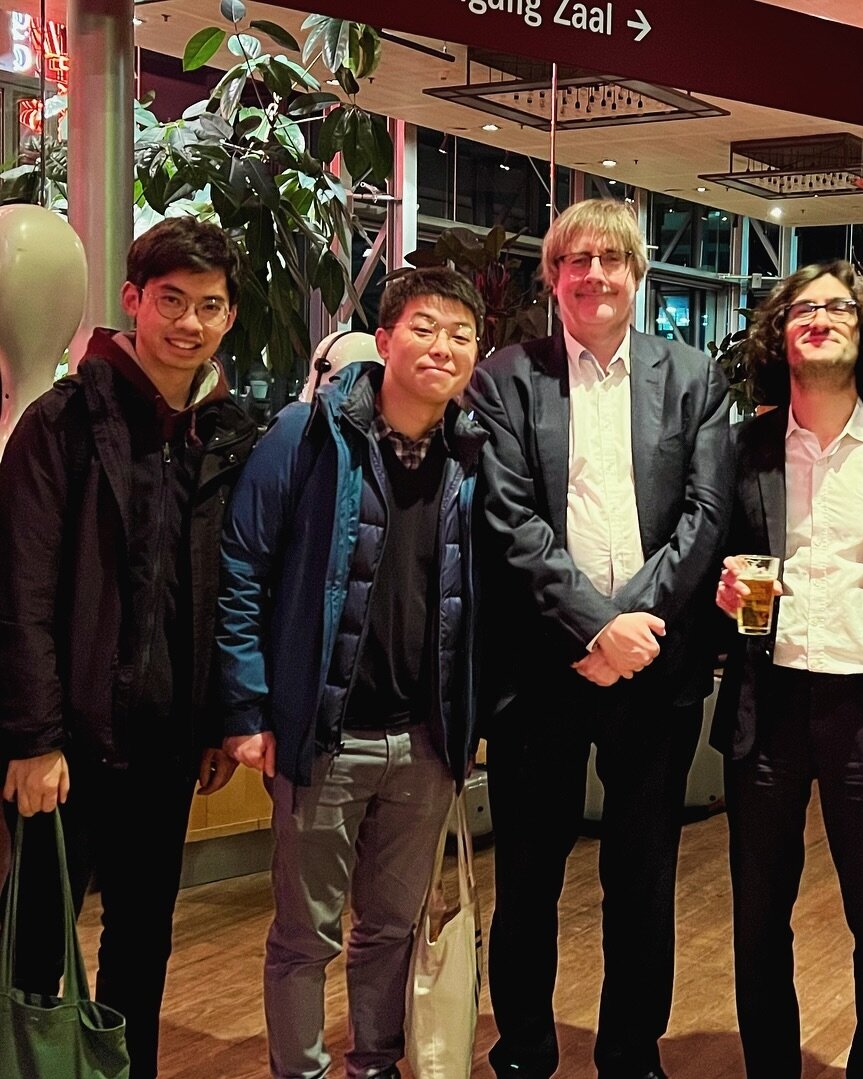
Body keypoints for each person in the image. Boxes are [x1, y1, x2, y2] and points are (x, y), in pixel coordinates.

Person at [467, 198, 733, 1079]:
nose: (593, 275)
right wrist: (591, 624)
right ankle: (525, 1048)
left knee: (643, 877)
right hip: (542, 665)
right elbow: (507, 519)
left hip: (654, 666)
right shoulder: (507, 376)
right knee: (530, 876)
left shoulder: (692, 376)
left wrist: (634, 623)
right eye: (575, 260)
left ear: (637, 271)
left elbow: (705, 515)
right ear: (553, 278)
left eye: (610, 259)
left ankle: (630, 1051)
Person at [0, 217, 257, 1079]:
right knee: (38, 942)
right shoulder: (63, 421)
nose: (188, 322)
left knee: (142, 940)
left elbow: (227, 591)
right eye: (171, 300)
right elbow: (21, 589)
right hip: (64, 742)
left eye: (208, 306)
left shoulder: (222, 434)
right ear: (132, 302)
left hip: (165, 741)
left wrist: (222, 719)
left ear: (229, 317)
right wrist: (33, 740)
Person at [215, 266, 486, 1079]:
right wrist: (247, 707)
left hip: (427, 744)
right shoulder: (306, 436)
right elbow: (241, 570)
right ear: (387, 335)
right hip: (321, 739)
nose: (442, 346)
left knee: (391, 930)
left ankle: (374, 1063)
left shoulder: (473, 455)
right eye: (426, 327)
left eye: (461, 334)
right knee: (305, 935)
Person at [711, 261, 863, 1077]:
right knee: (758, 915)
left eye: (836, 307)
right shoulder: (744, 447)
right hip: (766, 702)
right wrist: (721, 590)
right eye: (802, 308)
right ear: (780, 334)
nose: (818, 318)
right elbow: (716, 555)